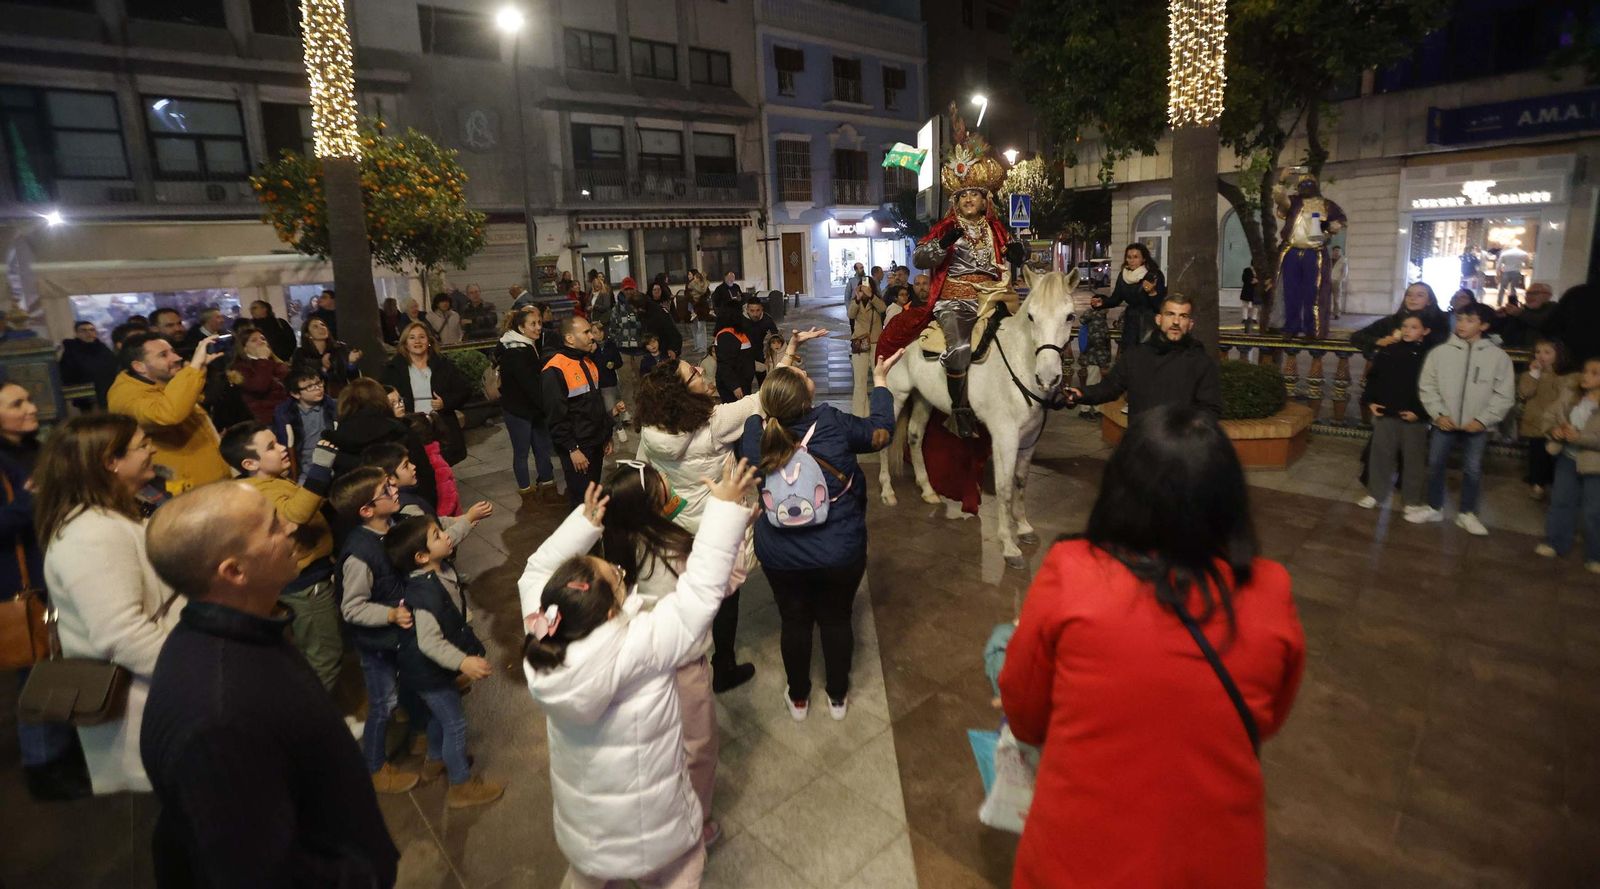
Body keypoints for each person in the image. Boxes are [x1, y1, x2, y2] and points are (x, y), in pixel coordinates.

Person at [998, 405, 1305, 889]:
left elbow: (1027, 716)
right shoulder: (1271, 591)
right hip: (1216, 863)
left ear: (1122, 487)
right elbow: (1266, 717)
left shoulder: (1073, 570)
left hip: (1078, 860)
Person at [140, 482, 398, 888]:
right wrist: (360, 875)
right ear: (234, 571)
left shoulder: (247, 632)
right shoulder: (219, 717)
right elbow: (261, 871)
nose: (291, 530)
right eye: (273, 527)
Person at [518, 462, 755, 889]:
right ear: (611, 611)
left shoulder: (544, 642)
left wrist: (583, 525)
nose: (621, 573)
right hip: (655, 831)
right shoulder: (641, 646)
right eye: (618, 579)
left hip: (587, 833)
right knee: (676, 874)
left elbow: (534, 572)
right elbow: (698, 596)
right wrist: (725, 511)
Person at [637, 329, 826, 695]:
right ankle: (722, 666)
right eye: (692, 374)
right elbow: (764, 399)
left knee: (696, 591)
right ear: (680, 394)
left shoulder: (651, 430)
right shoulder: (712, 425)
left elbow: (648, 472)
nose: (699, 369)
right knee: (726, 596)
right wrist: (789, 353)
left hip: (681, 524)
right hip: (719, 522)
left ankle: (688, 656)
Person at [739, 352, 901, 720]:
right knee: (836, 619)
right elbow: (881, 432)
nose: (801, 369)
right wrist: (880, 382)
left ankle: (798, 697)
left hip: (780, 554)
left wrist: (758, 413)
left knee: (794, 620)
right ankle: (838, 695)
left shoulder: (755, 435)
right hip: (839, 549)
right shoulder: (831, 422)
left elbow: (757, 423)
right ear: (807, 400)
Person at [34, 414, 182, 794]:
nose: (152, 450)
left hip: (161, 701)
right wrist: (196, 672)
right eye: (142, 444)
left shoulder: (114, 516)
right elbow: (120, 634)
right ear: (109, 461)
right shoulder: (90, 534)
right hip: (147, 708)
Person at [0, 380, 87, 801]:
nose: (32, 407)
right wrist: (30, 499)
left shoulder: (35, 450)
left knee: (57, 665)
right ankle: (43, 764)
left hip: (53, 573)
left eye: (28, 399)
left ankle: (64, 752)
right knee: (37, 672)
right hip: (22, 584)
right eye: (18, 403)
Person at [385, 515, 504, 807]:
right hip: (428, 671)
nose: (447, 537)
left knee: (441, 716)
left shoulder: (438, 572)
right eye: (438, 536)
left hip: (432, 669)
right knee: (454, 724)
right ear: (421, 556)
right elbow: (429, 642)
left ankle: (435, 759)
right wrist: (463, 662)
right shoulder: (424, 593)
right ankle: (460, 786)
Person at [219, 422, 344, 690]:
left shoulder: (266, 482)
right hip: (306, 585)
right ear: (250, 463)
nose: (282, 449)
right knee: (325, 656)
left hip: (307, 578)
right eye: (271, 447)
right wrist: (320, 470)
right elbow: (297, 513)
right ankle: (316, 724)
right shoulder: (260, 492)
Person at [330, 466, 421, 794]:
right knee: (382, 701)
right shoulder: (360, 554)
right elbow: (352, 608)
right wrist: (390, 615)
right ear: (366, 511)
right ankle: (375, 766)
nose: (395, 490)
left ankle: (420, 736)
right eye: (386, 490)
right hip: (376, 639)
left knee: (410, 681)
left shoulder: (391, 527)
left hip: (397, 634)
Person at [1411, 303, 1517, 533]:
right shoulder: (1440, 353)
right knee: (1436, 463)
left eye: (1470, 320)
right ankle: (1433, 506)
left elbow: (1504, 394)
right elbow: (1427, 386)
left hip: (1477, 424)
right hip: (1444, 421)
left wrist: (1483, 419)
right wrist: (1438, 414)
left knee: (1472, 468)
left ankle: (1467, 512)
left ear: (1484, 325)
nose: (1462, 324)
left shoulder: (1498, 357)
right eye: (1459, 319)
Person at [107, 331, 231, 493]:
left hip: (210, 484)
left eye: (173, 351)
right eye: (163, 355)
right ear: (139, 367)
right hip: (183, 492)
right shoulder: (126, 396)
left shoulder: (164, 383)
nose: (176, 358)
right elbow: (167, 414)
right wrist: (193, 369)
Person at [1065, 293, 1222, 419]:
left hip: (1182, 451)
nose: (1176, 321)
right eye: (1170, 314)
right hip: (1142, 446)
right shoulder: (1137, 356)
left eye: (1183, 316)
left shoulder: (1201, 363)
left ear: (1190, 324)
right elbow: (1110, 387)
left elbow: (1210, 408)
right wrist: (1082, 393)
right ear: (1159, 319)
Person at [1357, 313, 1432, 512]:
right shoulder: (1389, 350)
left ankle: (1412, 500)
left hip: (1413, 415)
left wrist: (1421, 411)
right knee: (1381, 455)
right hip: (1386, 411)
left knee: (1413, 459)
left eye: (1414, 327)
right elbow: (1374, 377)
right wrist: (1370, 401)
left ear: (1425, 331)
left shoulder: (1428, 356)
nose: (1408, 330)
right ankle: (1375, 493)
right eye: (1405, 326)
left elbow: (1431, 387)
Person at [543, 316, 620, 505]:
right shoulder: (555, 369)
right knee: (581, 501)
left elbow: (596, 405)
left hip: (595, 441)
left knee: (592, 495)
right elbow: (556, 416)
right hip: (578, 447)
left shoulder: (588, 362)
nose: (591, 336)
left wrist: (606, 434)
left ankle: (596, 533)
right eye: (586, 332)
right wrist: (572, 448)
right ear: (569, 338)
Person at [329, 378, 438, 508]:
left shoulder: (336, 442)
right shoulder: (400, 431)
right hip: (411, 506)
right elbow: (424, 474)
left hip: (365, 515)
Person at [1535, 358, 1600, 572]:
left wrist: (1579, 437)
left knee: (1593, 511)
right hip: (1568, 458)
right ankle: (1555, 542)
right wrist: (1555, 430)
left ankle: (1595, 555)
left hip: (1595, 464)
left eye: (1594, 373)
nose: (1586, 376)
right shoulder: (1571, 396)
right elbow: (1550, 415)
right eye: (1585, 370)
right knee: (1561, 501)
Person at [1273, 168, 1346, 338]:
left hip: (1314, 253)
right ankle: (1291, 327)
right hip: (1292, 251)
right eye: (1302, 184)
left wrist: (1329, 227)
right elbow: (1280, 199)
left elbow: (1339, 222)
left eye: (1309, 183)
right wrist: (1282, 180)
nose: (1305, 186)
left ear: (1315, 185)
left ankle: (1312, 330)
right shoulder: (1293, 202)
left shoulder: (1327, 205)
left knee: (1313, 293)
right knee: (1290, 292)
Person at [498, 306, 559, 502]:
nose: (538, 327)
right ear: (521, 327)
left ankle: (548, 483)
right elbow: (529, 385)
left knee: (541, 447)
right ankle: (526, 491)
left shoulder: (528, 345)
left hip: (533, 409)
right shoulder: (516, 350)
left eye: (539, 322)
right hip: (519, 411)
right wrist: (547, 405)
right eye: (533, 324)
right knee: (522, 452)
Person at [382, 322, 473, 419]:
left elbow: (464, 390)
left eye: (422, 337)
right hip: (409, 425)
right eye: (412, 337)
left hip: (441, 423)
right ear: (405, 344)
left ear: (429, 341)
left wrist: (445, 402)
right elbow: (382, 398)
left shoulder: (443, 364)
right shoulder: (393, 368)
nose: (417, 341)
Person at [1518, 338, 1568, 499]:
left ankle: (1551, 483)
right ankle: (1537, 484)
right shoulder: (1530, 375)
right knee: (1537, 455)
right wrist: (1534, 374)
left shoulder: (1562, 377)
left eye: (1547, 352)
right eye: (1538, 352)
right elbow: (1524, 392)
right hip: (1535, 422)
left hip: (1554, 423)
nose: (1541, 356)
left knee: (1553, 456)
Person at [272, 368, 338, 482]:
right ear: (295, 394)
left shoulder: (332, 407)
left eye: (318, 383)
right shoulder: (286, 415)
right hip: (304, 469)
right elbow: (287, 446)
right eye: (310, 386)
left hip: (332, 461)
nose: (318, 388)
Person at [1352, 282, 1450, 356]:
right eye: (1409, 295)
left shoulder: (1440, 322)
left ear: (1429, 301)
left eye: (1419, 295)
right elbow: (1357, 336)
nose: (1412, 298)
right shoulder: (1392, 320)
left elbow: (1441, 346)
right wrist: (1378, 341)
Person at [1102, 242, 1167, 351]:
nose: (1131, 260)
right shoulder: (1123, 275)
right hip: (1131, 322)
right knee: (1130, 356)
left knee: (1147, 356)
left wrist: (1152, 293)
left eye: (1136, 257)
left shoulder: (1153, 275)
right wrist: (1102, 302)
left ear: (1144, 259)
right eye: (1129, 257)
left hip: (1149, 322)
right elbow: (1116, 299)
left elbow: (1160, 306)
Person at [229, 328, 290, 425]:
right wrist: (262, 359)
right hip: (264, 421)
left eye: (263, 338)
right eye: (254, 340)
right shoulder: (240, 368)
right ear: (244, 348)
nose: (261, 342)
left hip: (286, 416)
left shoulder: (277, 364)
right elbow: (260, 386)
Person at [291, 316, 362, 398]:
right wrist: (323, 368)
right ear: (308, 334)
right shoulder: (301, 354)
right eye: (315, 327)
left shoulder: (340, 349)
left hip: (340, 396)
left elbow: (353, 378)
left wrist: (351, 363)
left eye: (323, 325)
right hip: (313, 397)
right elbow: (300, 379)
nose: (321, 328)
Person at [846, 280, 886, 417]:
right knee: (860, 381)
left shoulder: (876, 301)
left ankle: (879, 412)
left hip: (875, 343)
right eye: (862, 285)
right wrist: (857, 299)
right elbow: (850, 315)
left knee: (879, 379)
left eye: (867, 285)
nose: (864, 288)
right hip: (860, 343)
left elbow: (883, 309)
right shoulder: (855, 302)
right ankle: (859, 415)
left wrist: (871, 296)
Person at [59, 320, 117, 411]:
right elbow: (67, 372)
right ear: (77, 333)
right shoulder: (71, 351)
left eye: (91, 330)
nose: (88, 333)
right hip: (84, 393)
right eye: (84, 330)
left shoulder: (103, 348)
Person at [1075, 292, 1113, 419]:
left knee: (1092, 383)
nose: (1094, 303)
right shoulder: (1098, 318)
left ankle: (1094, 408)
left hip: (1090, 356)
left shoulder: (1095, 316)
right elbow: (1099, 341)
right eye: (1094, 300)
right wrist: (1104, 361)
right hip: (1094, 358)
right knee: (1093, 384)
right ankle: (1086, 409)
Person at [713, 300, 757, 403]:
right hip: (735, 387)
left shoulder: (736, 332)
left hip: (742, 383)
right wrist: (734, 386)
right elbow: (725, 364)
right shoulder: (726, 335)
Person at [591, 321, 627, 442]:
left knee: (611, 406)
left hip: (609, 382)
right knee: (605, 407)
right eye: (595, 332)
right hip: (595, 384)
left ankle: (619, 427)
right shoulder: (589, 347)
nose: (598, 335)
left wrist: (613, 364)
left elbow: (619, 362)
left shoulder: (610, 344)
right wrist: (591, 352)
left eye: (600, 331)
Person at [1499, 281, 1557, 348]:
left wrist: (1519, 313)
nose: (1529, 297)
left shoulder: (1554, 308)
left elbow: (1543, 322)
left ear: (1548, 295)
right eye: (1527, 293)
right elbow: (1504, 332)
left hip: (1540, 353)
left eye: (1534, 293)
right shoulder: (1522, 310)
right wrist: (1501, 317)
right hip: (1513, 351)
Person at [1329, 245, 1348, 320]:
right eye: (1335, 251)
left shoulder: (1343, 260)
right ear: (1332, 251)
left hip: (1337, 281)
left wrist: (1340, 280)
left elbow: (1345, 272)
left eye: (1338, 251)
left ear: (1340, 252)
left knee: (1336, 299)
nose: (1336, 252)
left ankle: (1337, 313)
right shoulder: (1329, 259)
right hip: (1328, 281)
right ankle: (1327, 312)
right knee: (1326, 298)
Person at [1239, 266, 1259, 332]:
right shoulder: (1247, 270)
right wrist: (1251, 280)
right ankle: (1244, 318)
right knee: (1245, 304)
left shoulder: (1260, 270)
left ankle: (1254, 318)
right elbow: (1244, 279)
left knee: (1255, 305)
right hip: (1247, 290)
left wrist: (1257, 281)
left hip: (1255, 290)